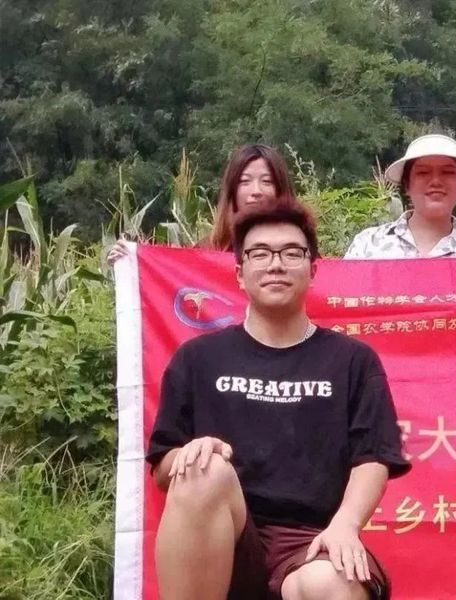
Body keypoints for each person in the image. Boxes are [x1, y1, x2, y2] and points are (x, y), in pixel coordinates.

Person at [146, 200, 410, 600]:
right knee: (205, 469)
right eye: (260, 254)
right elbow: (163, 467)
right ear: (239, 273)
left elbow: (373, 456)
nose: (276, 265)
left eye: (291, 253)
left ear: (313, 268)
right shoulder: (197, 359)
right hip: (222, 536)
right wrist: (189, 453)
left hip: (312, 542)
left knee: (331, 583)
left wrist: (346, 524)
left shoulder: (352, 360)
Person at [107, 144, 293, 262]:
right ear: (231, 192)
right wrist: (129, 263)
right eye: (245, 181)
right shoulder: (208, 252)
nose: (256, 191)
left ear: (281, 189)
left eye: (267, 181)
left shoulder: (299, 250)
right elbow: (167, 290)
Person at [344, 134, 456, 259]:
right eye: (423, 172)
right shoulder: (368, 245)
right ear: (406, 184)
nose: (436, 181)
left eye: (447, 172)